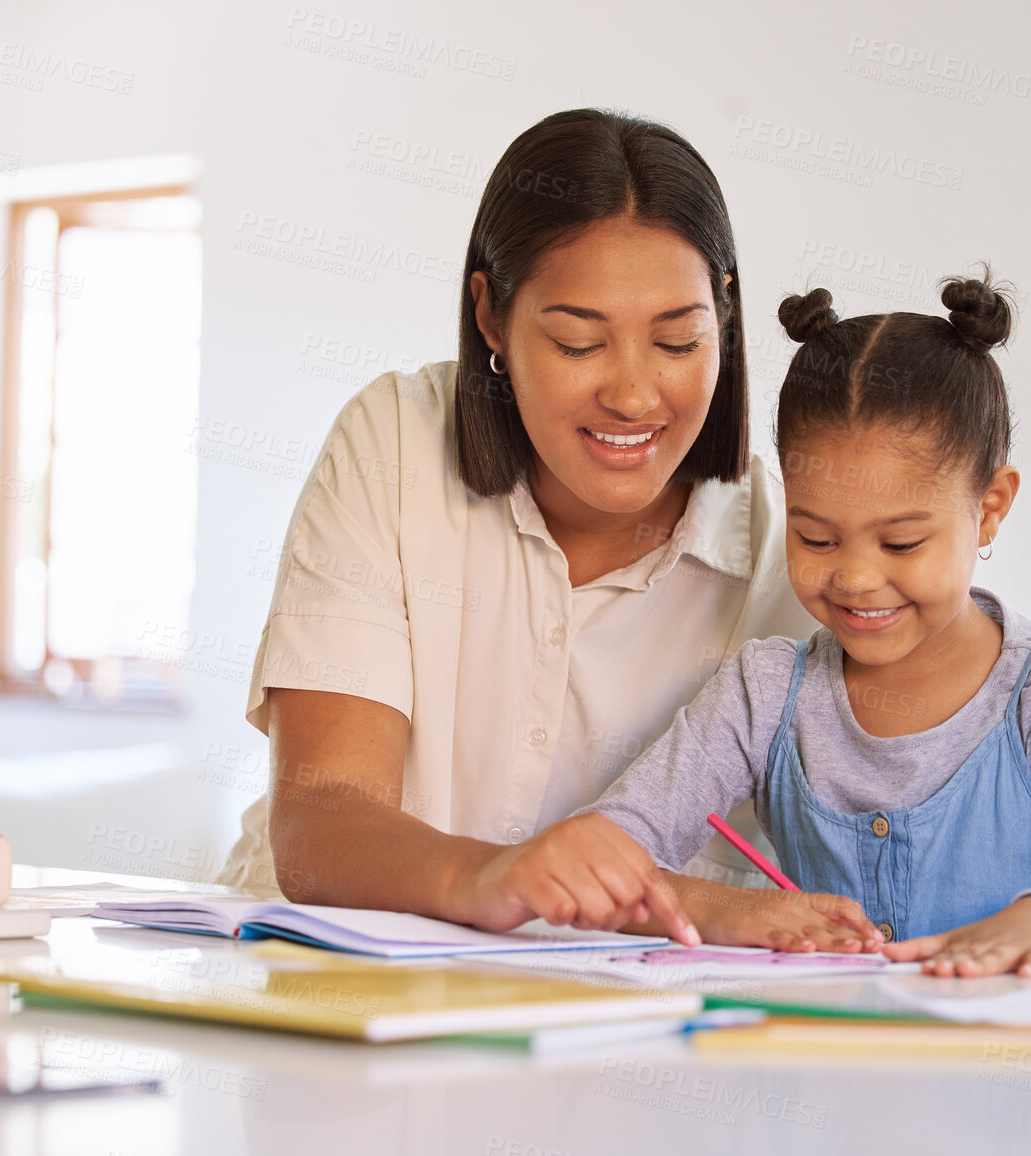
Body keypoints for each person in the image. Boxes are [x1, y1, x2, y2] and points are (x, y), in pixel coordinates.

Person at [218, 107, 878, 950]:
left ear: (725, 317)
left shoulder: (794, 545)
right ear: (491, 316)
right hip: (321, 978)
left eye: (678, 342)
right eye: (577, 343)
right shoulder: (395, 442)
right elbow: (322, 820)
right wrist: (496, 875)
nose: (634, 397)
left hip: (608, 1030)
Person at [562, 274, 1031, 975]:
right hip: (820, 1066)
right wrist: (728, 908)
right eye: (816, 538)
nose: (857, 578)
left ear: (990, 506)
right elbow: (602, 857)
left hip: (1009, 1072)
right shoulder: (767, 692)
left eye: (900, 543)